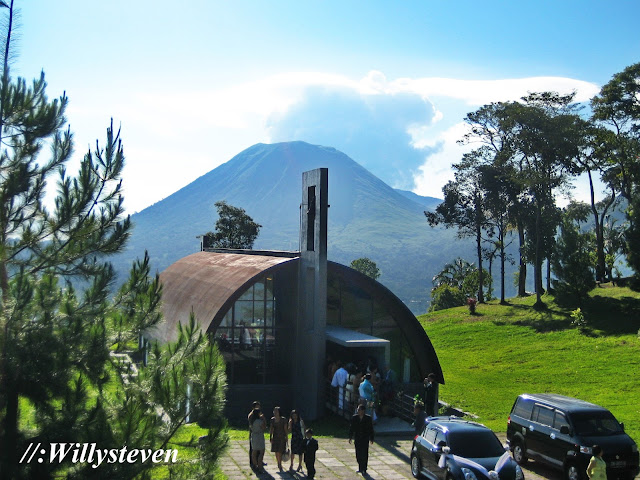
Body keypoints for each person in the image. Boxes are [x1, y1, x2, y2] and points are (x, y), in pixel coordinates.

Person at [349, 403, 375, 474]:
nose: (358, 411)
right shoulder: (354, 418)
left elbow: (371, 429)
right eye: (358, 410)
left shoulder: (368, 418)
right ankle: (360, 467)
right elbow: (352, 428)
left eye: (359, 410)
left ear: (363, 411)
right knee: (358, 453)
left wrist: (371, 438)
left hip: (365, 438)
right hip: (357, 438)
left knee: (364, 453)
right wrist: (350, 437)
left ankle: (364, 468)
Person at [248, 404, 266, 472]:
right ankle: (260, 466)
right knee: (261, 452)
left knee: (254, 451)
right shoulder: (259, 421)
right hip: (259, 436)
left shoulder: (252, 421)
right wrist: (263, 419)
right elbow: (264, 427)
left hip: (253, 436)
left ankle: (255, 465)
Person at [270, 406, 288, 471]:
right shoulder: (272, 419)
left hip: (282, 437)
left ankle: (280, 463)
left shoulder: (283, 419)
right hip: (275, 437)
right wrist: (270, 436)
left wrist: (286, 437)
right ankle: (278, 462)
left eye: (276, 411)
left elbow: (285, 429)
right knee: (276, 451)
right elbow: (271, 429)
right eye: (274, 411)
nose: (275, 412)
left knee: (280, 451)